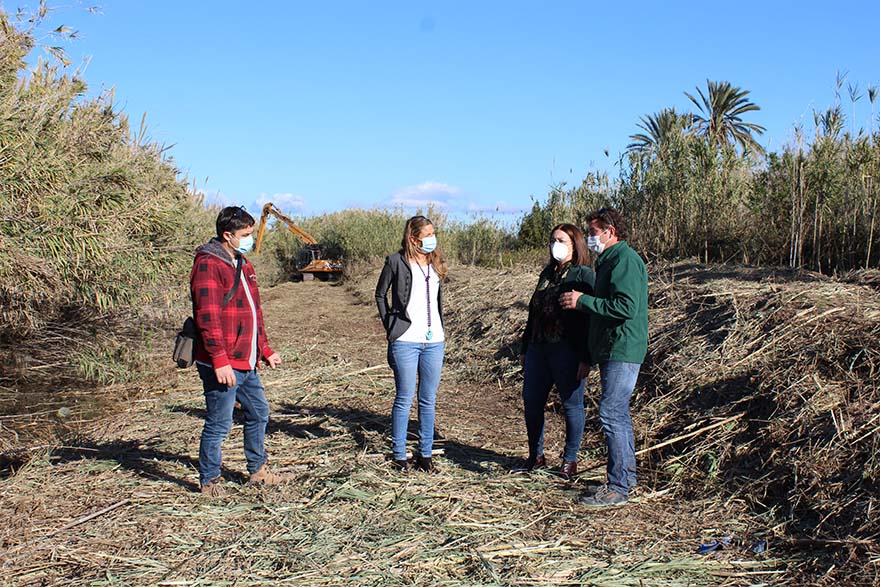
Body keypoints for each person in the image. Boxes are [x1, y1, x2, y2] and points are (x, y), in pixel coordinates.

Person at [190, 205, 287, 497]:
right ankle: (209, 481)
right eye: (245, 234)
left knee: (259, 412)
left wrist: (264, 349)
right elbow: (207, 318)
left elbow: (254, 312)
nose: (249, 239)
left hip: (246, 359)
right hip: (222, 362)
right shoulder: (209, 265)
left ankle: (258, 471)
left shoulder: (243, 264)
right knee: (219, 423)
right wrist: (219, 361)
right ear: (227, 235)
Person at [559, 208, 648, 507]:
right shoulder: (610, 261)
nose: (590, 238)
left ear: (610, 231)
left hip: (623, 347)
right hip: (613, 347)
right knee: (617, 412)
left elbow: (626, 307)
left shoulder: (624, 261)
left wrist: (583, 301)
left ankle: (618, 487)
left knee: (611, 412)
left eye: (593, 232)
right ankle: (626, 479)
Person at [517, 224, 595, 479]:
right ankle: (535, 456)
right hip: (538, 348)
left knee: (571, 405)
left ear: (575, 245)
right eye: (552, 240)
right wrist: (524, 346)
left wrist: (586, 356)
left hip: (566, 349)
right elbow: (533, 313)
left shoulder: (583, 275)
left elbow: (589, 319)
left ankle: (569, 460)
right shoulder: (547, 274)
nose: (555, 245)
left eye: (561, 240)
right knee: (532, 402)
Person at [375, 215, 447, 472]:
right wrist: (391, 325)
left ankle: (425, 456)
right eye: (428, 235)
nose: (432, 239)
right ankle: (399, 455)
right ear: (414, 238)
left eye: (433, 233)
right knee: (404, 398)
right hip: (405, 340)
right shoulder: (396, 261)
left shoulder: (436, 262)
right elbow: (380, 294)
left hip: (434, 341)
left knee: (428, 400)